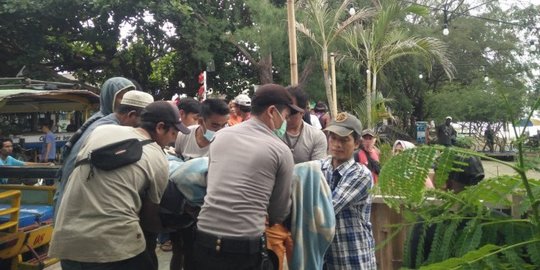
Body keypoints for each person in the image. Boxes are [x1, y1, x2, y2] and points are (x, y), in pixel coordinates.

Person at [49, 101, 190, 270]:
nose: (173, 140)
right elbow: (149, 220)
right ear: (160, 127)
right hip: (114, 249)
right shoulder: (158, 157)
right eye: (174, 133)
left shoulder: (101, 131)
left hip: (67, 241)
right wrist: (178, 224)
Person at [193, 83, 303, 270]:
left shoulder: (221, 136)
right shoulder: (280, 150)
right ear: (271, 111)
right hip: (243, 248)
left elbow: (212, 181)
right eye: (284, 116)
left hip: (204, 238)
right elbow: (278, 211)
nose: (285, 122)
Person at [54, 88, 153, 216]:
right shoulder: (109, 130)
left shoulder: (105, 122)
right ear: (131, 115)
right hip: (76, 205)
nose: (141, 129)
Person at [171, 98, 229, 270]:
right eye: (215, 125)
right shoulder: (184, 135)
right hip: (182, 208)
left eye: (224, 125)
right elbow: (177, 166)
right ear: (201, 121)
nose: (221, 130)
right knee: (179, 250)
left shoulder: (228, 140)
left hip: (210, 210)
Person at [322, 112, 376, 269]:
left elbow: (329, 208)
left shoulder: (360, 174)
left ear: (357, 143)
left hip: (353, 258)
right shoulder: (320, 167)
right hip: (327, 258)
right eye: (333, 138)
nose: (337, 144)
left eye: (344, 140)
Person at [282, 86, 327, 164]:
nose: (285, 113)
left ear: (302, 112)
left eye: (291, 110)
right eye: (282, 108)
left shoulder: (316, 136)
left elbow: (316, 171)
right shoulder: (271, 133)